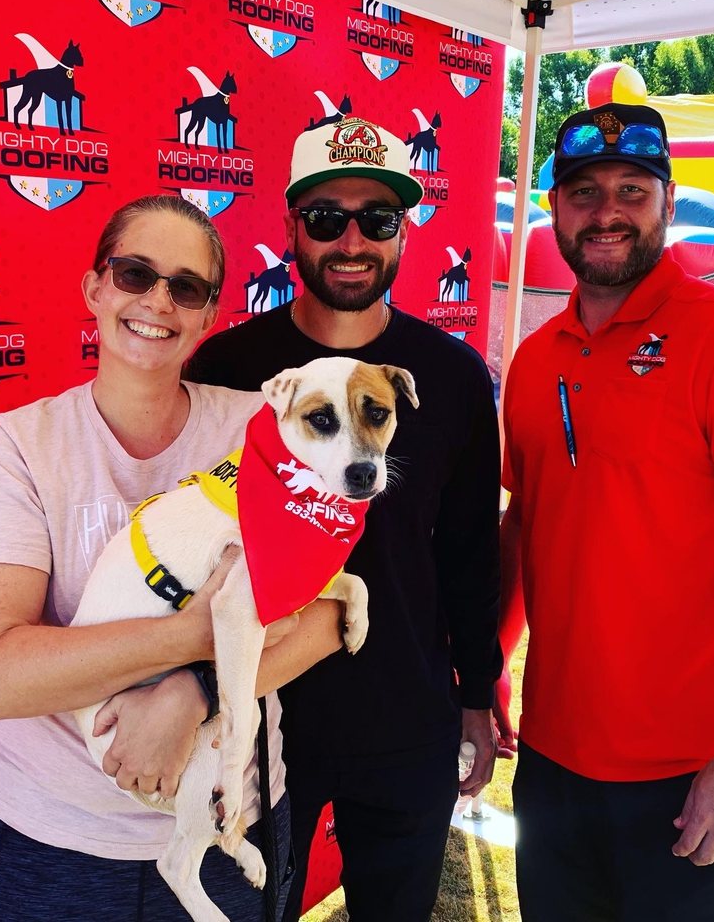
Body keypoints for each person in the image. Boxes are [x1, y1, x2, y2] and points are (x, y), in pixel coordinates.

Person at [0, 194, 347, 922]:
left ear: (208, 315)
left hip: (231, 831)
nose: (158, 300)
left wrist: (193, 689)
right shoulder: (19, 448)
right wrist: (198, 637)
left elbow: (322, 618)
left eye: (186, 287)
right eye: (135, 274)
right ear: (95, 288)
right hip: (50, 841)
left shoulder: (258, 429)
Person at [187, 115, 503, 922]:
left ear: (403, 232)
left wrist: (477, 689)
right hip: (261, 716)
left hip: (408, 716)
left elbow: (468, 550)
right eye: (328, 218)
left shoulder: (454, 377)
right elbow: (193, 549)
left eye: (378, 219)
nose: (353, 240)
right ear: (293, 226)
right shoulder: (227, 372)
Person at [496, 102, 714, 921]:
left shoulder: (713, 334)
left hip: (687, 778)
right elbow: (527, 518)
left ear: (667, 202)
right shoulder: (532, 358)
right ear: (555, 208)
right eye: (585, 191)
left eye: (633, 188)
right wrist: (491, 655)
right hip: (552, 760)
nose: (608, 212)